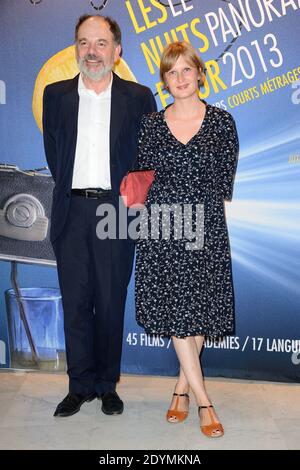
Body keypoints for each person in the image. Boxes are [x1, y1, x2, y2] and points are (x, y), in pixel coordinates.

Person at [43, 14, 156, 417]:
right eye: (84, 43)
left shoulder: (139, 96)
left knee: (110, 302)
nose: (92, 51)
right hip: (71, 210)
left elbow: (146, 160)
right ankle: (79, 386)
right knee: (75, 302)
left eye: (101, 43)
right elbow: (54, 156)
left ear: (117, 50)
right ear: (76, 48)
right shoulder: (56, 96)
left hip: (116, 211)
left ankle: (107, 385)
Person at [135, 41, 239, 437]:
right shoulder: (150, 125)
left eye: (185, 70)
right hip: (163, 230)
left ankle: (180, 388)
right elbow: (141, 180)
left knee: (197, 316)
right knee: (180, 315)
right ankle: (203, 401)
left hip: (206, 229)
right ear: (164, 80)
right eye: (170, 72)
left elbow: (223, 182)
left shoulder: (223, 123)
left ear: (199, 73)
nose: (179, 78)